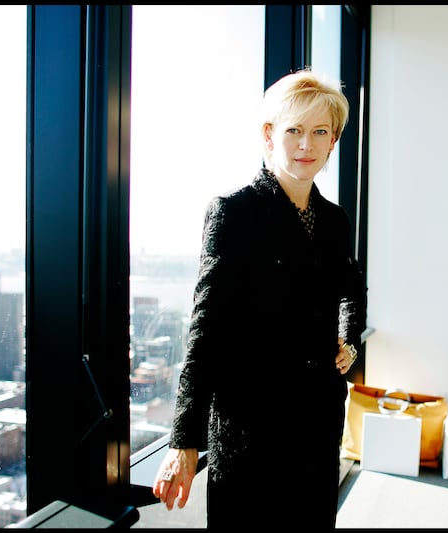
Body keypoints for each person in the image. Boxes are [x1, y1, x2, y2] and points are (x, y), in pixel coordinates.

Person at [151, 69, 368, 529]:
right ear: (269, 135)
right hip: (251, 434)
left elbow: (352, 287)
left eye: (319, 132)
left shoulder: (334, 220)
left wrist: (348, 340)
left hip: (317, 428)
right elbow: (204, 332)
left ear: (334, 141)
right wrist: (183, 442)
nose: (306, 144)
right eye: (293, 130)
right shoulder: (234, 213)